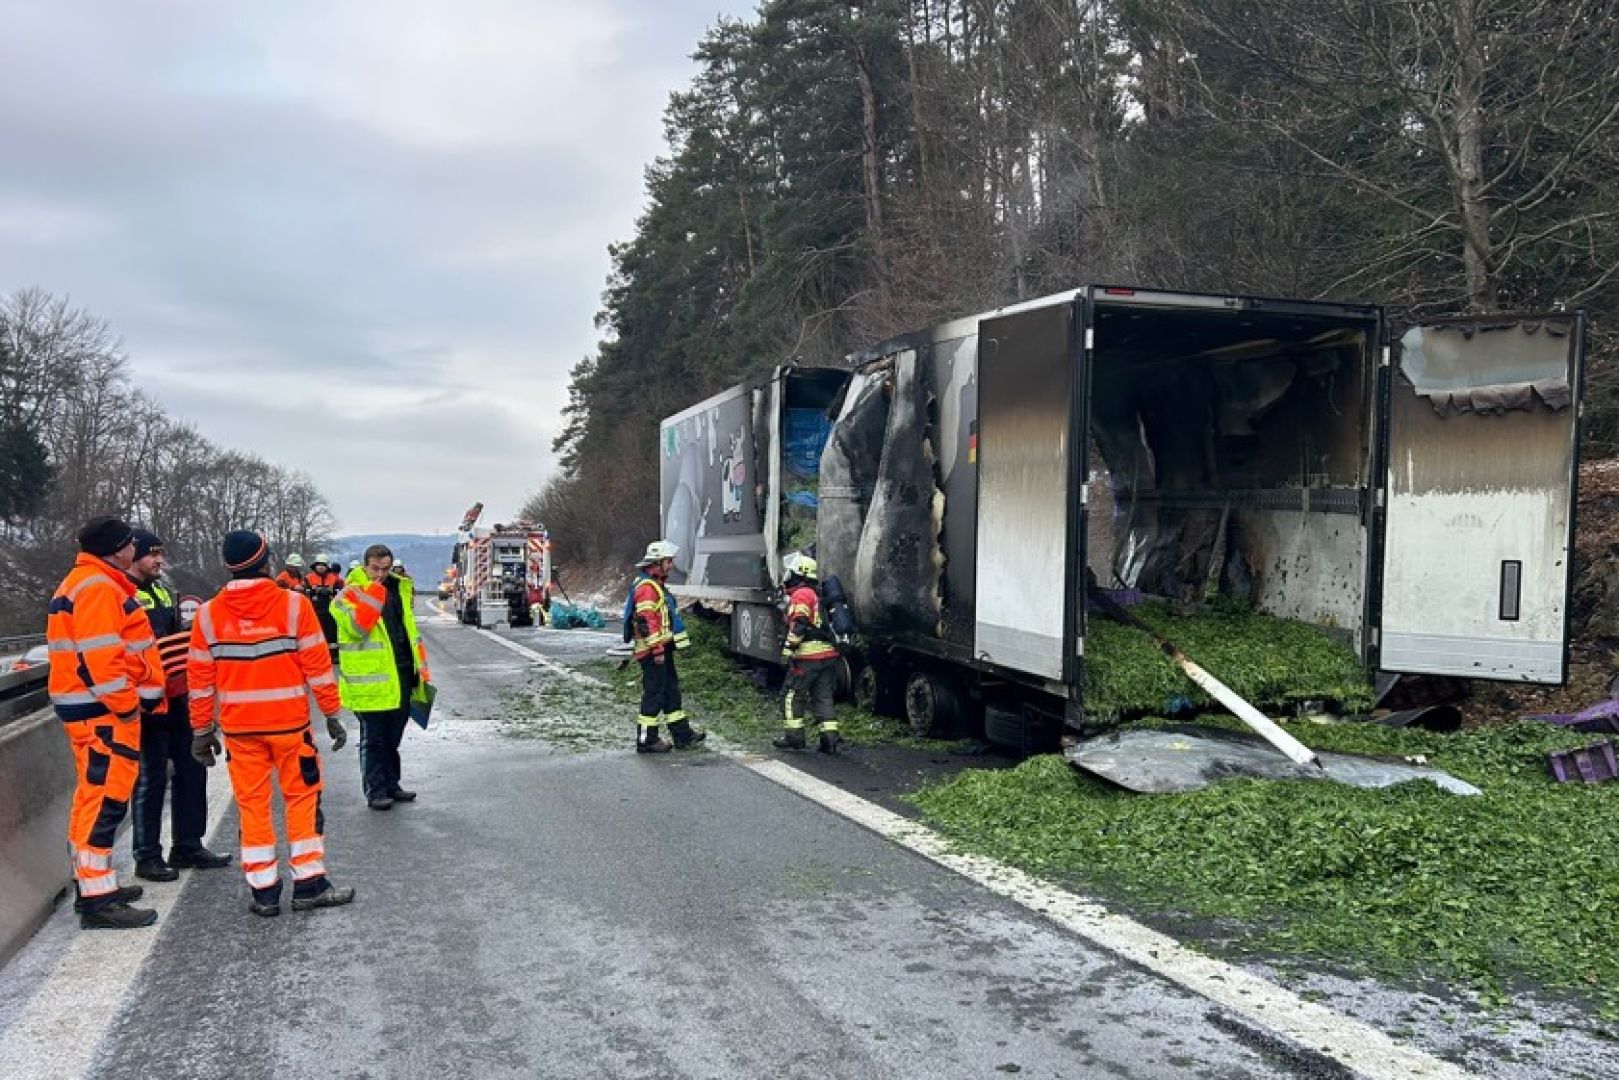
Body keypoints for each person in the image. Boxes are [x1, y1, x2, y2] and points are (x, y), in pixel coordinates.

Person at [187, 529, 354, 917]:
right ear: (265, 562)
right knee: (301, 800)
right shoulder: (294, 606)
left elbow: (200, 681)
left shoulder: (208, 615)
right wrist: (332, 714)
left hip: (240, 731)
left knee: (252, 806)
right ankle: (308, 885)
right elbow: (318, 667)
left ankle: (263, 892)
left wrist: (202, 730)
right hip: (290, 727)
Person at [47, 516, 167, 928]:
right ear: (118, 549)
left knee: (92, 800)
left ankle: (93, 886)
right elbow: (102, 659)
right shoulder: (98, 588)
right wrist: (128, 705)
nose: (135, 548)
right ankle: (98, 902)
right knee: (105, 803)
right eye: (131, 543)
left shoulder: (88, 582)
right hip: (105, 716)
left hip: (93, 713)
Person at [126, 528, 230, 882]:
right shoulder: (125, 594)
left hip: (177, 695)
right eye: (152, 553)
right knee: (151, 778)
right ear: (133, 555)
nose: (159, 560)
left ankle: (187, 845)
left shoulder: (159, 590)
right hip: (147, 702)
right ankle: (147, 855)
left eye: (161, 552)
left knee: (192, 768)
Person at [331, 544, 432, 810]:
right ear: (364, 565)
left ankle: (391, 783)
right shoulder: (348, 594)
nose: (380, 575)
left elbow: (406, 628)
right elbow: (357, 628)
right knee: (373, 739)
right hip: (370, 679)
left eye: (385, 569)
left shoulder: (399, 587)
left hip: (402, 671)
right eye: (375, 569)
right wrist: (374, 592)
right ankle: (375, 790)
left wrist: (418, 669)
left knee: (393, 736)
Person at [627, 540, 703, 753]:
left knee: (671, 692)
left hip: (661, 648)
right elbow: (646, 621)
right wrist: (658, 650)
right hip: (653, 651)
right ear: (656, 564)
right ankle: (646, 740)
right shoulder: (647, 588)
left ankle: (682, 735)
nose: (671, 565)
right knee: (654, 695)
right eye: (668, 561)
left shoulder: (654, 585)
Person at [772, 552, 843, 754]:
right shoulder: (817, 594)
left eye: (792, 572)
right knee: (823, 697)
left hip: (808, 657)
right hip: (828, 655)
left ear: (800, 574)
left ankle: (794, 738)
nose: (788, 575)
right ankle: (830, 740)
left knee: (791, 695)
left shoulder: (802, 594)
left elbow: (800, 624)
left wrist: (787, 651)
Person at [303, 553, 343, 655]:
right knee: (316, 633)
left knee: (332, 634)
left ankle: (333, 655)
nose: (320, 567)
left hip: (331, 611)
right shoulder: (309, 578)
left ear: (327, 566)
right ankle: (318, 653)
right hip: (315, 611)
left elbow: (340, 591)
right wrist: (317, 591)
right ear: (315, 566)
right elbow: (305, 591)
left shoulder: (334, 578)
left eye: (323, 565)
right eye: (318, 564)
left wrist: (328, 591)